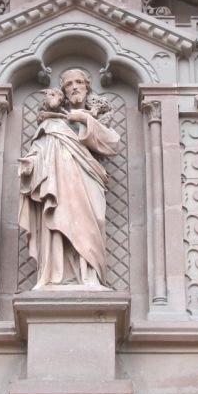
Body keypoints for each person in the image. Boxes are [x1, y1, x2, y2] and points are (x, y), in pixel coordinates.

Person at [18, 69, 121, 288]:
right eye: (68, 84)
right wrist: (30, 165)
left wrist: (85, 118)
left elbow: (112, 145)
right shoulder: (52, 124)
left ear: (87, 87)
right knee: (59, 221)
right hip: (58, 181)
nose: (74, 87)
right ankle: (56, 275)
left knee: (90, 225)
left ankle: (90, 276)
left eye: (79, 82)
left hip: (88, 179)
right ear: (63, 91)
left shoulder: (95, 118)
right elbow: (39, 151)